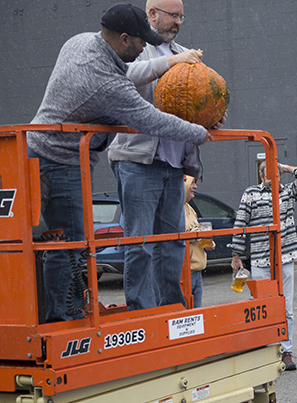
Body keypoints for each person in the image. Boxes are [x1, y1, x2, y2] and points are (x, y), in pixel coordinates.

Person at [28, 2, 209, 322]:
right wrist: (200, 130)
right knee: (67, 244)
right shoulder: (106, 85)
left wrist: (171, 61)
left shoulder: (80, 42)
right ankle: (59, 319)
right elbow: (151, 120)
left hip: (51, 154)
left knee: (65, 243)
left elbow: (126, 72)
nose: (144, 48)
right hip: (59, 159)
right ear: (125, 39)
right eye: (141, 42)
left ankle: (63, 312)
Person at [108, 0, 222, 311]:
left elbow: (192, 101)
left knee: (172, 243)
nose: (179, 23)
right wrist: (173, 64)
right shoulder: (135, 49)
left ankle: (169, 306)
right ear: (153, 14)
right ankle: (142, 310)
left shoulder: (183, 55)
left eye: (182, 17)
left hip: (174, 165)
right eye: (173, 16)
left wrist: (209, 117)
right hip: (137, 161)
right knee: (140, 242)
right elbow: (125, 77)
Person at [230, 161, 297, 371]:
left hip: (285, 258)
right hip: (260, 260)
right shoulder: (250, 194)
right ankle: (266, 350)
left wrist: (285, 168)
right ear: (261, 176)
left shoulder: (287, 193)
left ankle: (286, 350)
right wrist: (236, 255)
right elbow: (240, 223)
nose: (271, 177)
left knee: (286, 308)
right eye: (267, 174)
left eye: (275, 174)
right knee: (262, 308)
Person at [184, 175, 214, 307]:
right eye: (192, 183)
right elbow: (170, 238)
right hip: (184, 274)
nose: (195, 186)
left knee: (197, 314)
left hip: (197, 271)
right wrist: (189, 237)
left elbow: (197, 233)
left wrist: (207, 243)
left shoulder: (190, 209)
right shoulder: (172, 211)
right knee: (184, 316)